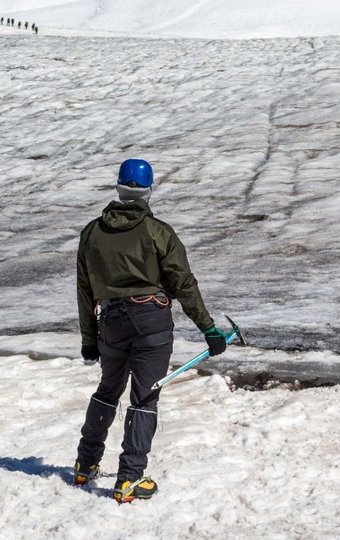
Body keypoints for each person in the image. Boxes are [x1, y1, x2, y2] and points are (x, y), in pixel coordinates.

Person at [73, 158, 230, 503]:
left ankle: (86, 463)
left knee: (107, 390)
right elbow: (183, 283)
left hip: (110, 322)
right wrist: (209, 329)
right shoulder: (158, 231)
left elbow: (85, 290)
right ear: (148, 190)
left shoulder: (91, 233)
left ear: (117, 187)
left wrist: (88, 339)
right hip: (150, 320)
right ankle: (129, 478)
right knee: (144, 396)